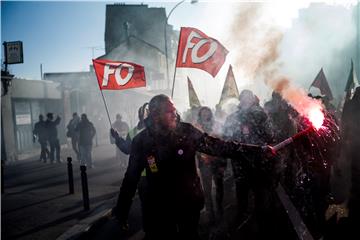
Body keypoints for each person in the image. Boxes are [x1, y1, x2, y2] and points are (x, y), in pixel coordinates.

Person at [113, 94, 273, 239]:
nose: (174, 115)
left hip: (187, 204)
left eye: (174, 110)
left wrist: (257, 150)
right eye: (169, 111)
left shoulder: (186, 131)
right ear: (155, 115)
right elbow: (131, 178)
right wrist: (122, 210)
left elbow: (218, 146)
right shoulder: (141, 141)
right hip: (159, 208)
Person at [223, 90, 276, 238]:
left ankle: (260, 227)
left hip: (259, 164)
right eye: (244, 98)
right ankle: (241, 227)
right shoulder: (233, 117)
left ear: (253, 100)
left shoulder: (262, 115)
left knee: (260, 198)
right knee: (242, 198)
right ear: (240, 100)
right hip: (241, 164)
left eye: (249, 98)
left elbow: (271, 135)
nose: (247, 101)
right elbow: (226, 138)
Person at [195, 106, 227, 223]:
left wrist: (223, 163)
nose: (205, 115)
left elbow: (223, 145)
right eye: (203, 113)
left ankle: (220, 209)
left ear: (210, 114)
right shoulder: (196, 128)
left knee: (219, 187)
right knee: (207, 190)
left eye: (207, 113)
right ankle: (210, 214)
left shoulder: (217, 125)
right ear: (200, 115)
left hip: (217, 161)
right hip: (204, 163)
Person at [341, 87, 360, 238]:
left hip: (353, 145)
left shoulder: (349, 104)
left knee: (355, 175)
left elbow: (344, 125)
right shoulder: (351, 105)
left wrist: (343, 142)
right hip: (355, 144)